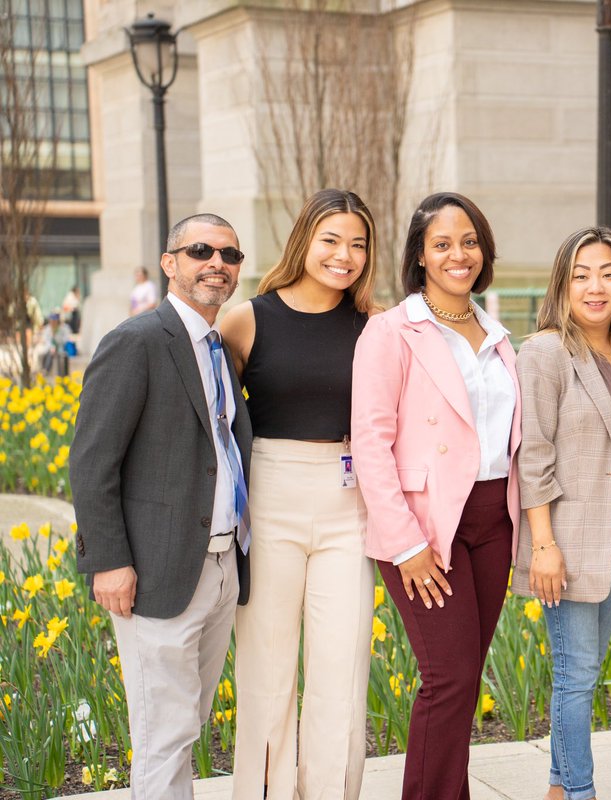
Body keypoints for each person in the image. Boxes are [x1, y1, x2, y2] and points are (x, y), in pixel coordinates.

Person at [70, 213, 251, 798]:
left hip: (222, 566)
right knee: (163, 733)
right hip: (156, 571)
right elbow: (92, 462)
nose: (216, 264)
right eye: (201, 251)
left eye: (229, 255)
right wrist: (108, 561)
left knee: (186, 725)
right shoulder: (137, 341)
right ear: (170, 263)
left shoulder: (218, 346)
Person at [351, 191, 520, 800]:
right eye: (442, 243)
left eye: (469, 241)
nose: (459, 254)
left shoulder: (499, 334)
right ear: (420, 255)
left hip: (494, 520)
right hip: (428, 527)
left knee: (465, 678)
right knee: (447, 677)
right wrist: (406, 545)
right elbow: (371, 442)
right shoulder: (391, 331)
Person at [220, 189, 377, 799]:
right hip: (270, 502)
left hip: (349, 507)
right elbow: (212, 422)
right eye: (331, 240)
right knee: (266, 673)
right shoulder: (247, 319)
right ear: (304, 242)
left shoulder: (376, 326)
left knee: (342, 673)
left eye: (357, 243)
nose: (344, 255)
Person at [513, 227, 611, 800]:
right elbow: (533, 454)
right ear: (563, 284)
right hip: (568, 537)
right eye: (581, 275)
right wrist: (544, 545)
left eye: (607, 273)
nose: (595, 286)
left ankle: (558, 790)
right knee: (575, 676)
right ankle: (580, 792)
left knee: (585, 672)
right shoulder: (545, 352)